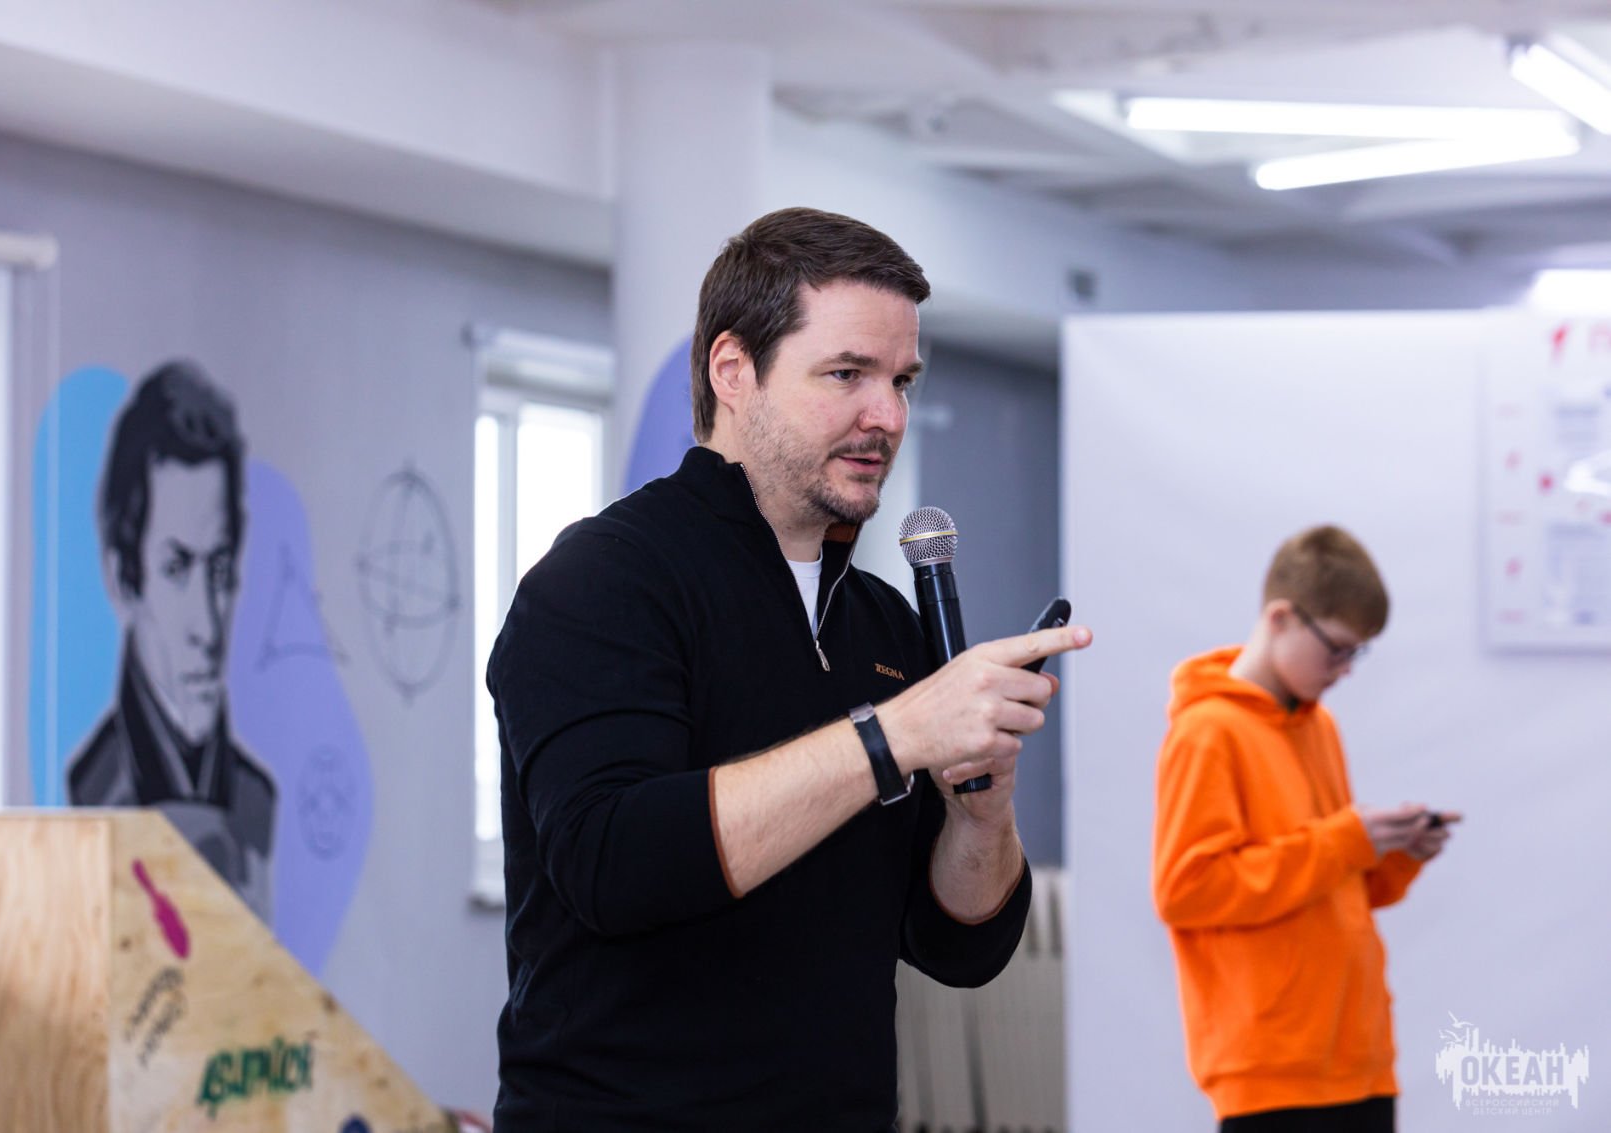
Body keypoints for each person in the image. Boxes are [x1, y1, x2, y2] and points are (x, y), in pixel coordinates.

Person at [487, 207, 1091, 1131]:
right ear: (733, 371)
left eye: (901, 381)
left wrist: (982, 810)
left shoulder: (882, 621)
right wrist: (891, 737)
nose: (886, 416)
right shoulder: (604, 579)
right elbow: (613, 862)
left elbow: (956, 947)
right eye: (847, 374)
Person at [1152, 526, 1460, 1132]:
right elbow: (1188, 889)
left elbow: (1335, 885)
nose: (1345, 670)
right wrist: (1348, 839)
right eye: (1338, 649)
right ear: (1281, 618)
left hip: (1359, 1059)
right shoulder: (1207, 732)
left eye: (1356, 654)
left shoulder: (1320, 728)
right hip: (1272, 1070)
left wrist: (1399, 853)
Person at [67, 360, 276, 922]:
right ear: (123, 580)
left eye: (220, 569)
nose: (208, 625)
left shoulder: (256, 798)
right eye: (177, 568)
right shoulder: (91, 789)